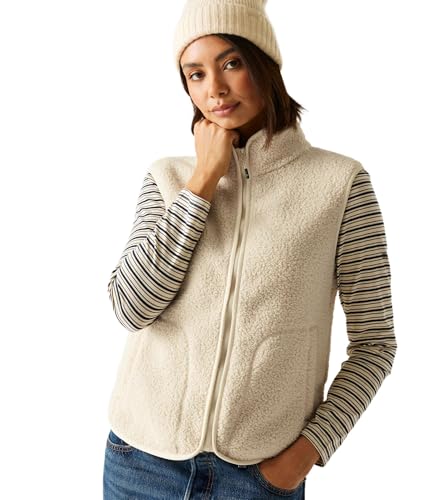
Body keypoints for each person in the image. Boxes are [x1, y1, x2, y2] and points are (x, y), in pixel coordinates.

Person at [102, 0, 398, 498]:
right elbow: (131, 309)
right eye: (195, 74)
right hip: (140, 465)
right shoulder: (168, 178)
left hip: (258, 478)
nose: (214, 89)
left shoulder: (340, 184)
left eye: (231, 63)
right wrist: (202, 181)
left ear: (265, 64)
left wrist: (306, 453)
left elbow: (376, 344)